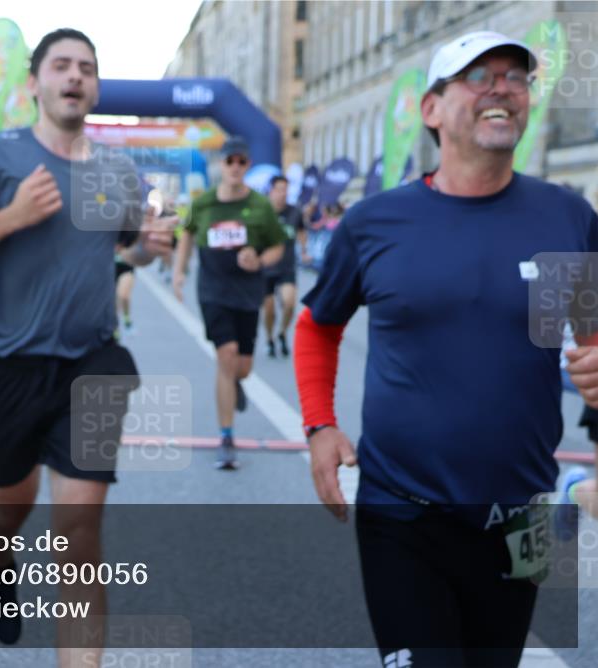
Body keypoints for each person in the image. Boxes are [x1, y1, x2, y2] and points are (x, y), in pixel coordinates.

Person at [293, 31, 598, 667]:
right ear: (431, 109)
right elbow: (317, 326)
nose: (502, 89)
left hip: (522, 515)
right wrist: (320, 425)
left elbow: (585, 334)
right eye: (478, 76)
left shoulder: (565, 218)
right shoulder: (375, 224)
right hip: (403, 514)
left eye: (516, 77)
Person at [0, 28, 172, 666]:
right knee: (11, 501)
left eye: (86, 67)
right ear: (34, 83)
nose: (74, 76)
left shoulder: (117, 170)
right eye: (61, 66)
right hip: (5, 364)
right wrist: (12, 216)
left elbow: (124, 249)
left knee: (78, 533)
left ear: (96, 87)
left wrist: (149, 246)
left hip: (92, 365)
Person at [172, 136, 286, 470]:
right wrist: (179, 272)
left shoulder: (261, 206)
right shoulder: (204, 203)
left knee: (243, 366)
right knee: (226, 356)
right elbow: (187, 235)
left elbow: (278, 246)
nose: (235, 167)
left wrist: (261, 259)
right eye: (229, 161)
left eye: (241, 162)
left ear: (247, 166)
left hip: (248, 293)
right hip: (213, 291)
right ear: (220, 165)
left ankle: (236, 381)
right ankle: (226, 436)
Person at [261, 175, 305, 358]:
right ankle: (270, 338)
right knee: (269, 309)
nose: (282, 193)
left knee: (289, 303)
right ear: (271, 191)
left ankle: (282, 332)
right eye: (278, 189)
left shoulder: (294, 212)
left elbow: (301, 231)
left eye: (285, 189)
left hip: (287, 267)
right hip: (265, 268)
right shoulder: (261, 212)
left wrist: (303, 250)